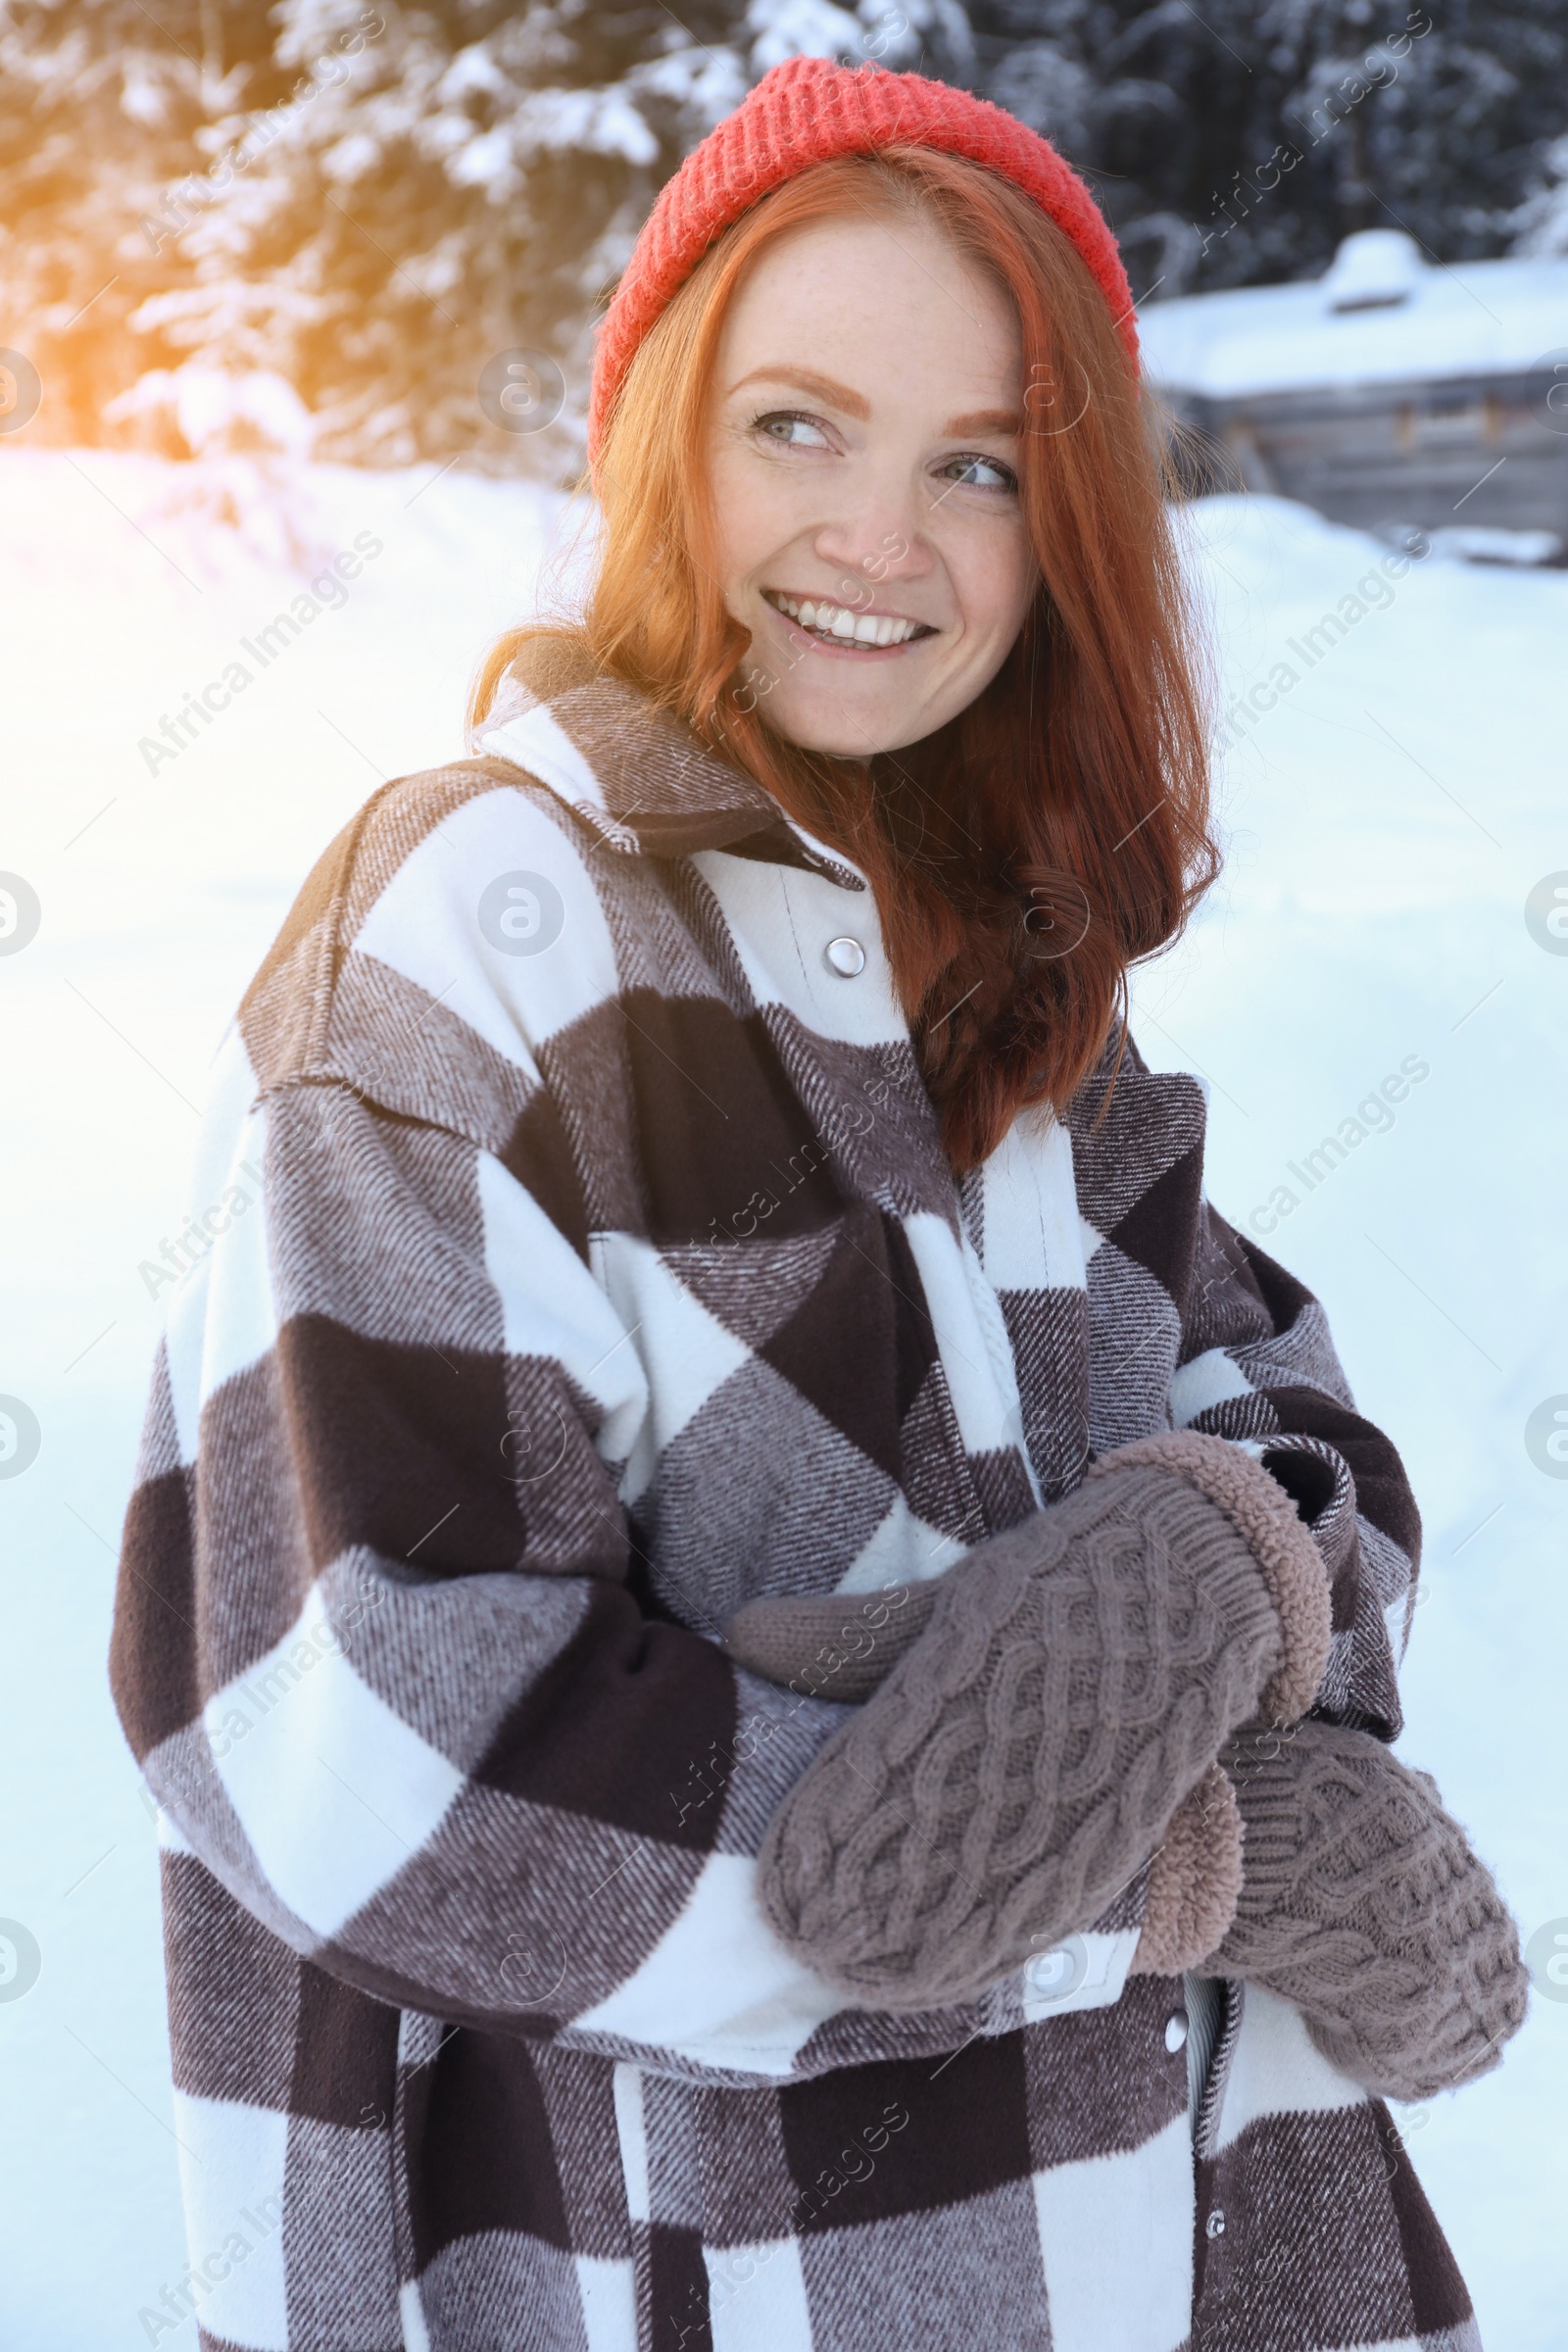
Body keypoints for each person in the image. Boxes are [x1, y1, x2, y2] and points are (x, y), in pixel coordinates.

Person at [109, 55, 1526, 2352]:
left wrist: (1209, 1565)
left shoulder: (1007, 947)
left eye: (974, 465)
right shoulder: (477, 930)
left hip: (1190, 2242)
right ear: (659, 434)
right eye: (799, 424)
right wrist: (1180, 1852)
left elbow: (1301, 1431)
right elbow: (399, 1768)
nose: (884, 537)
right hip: (725, 2268)